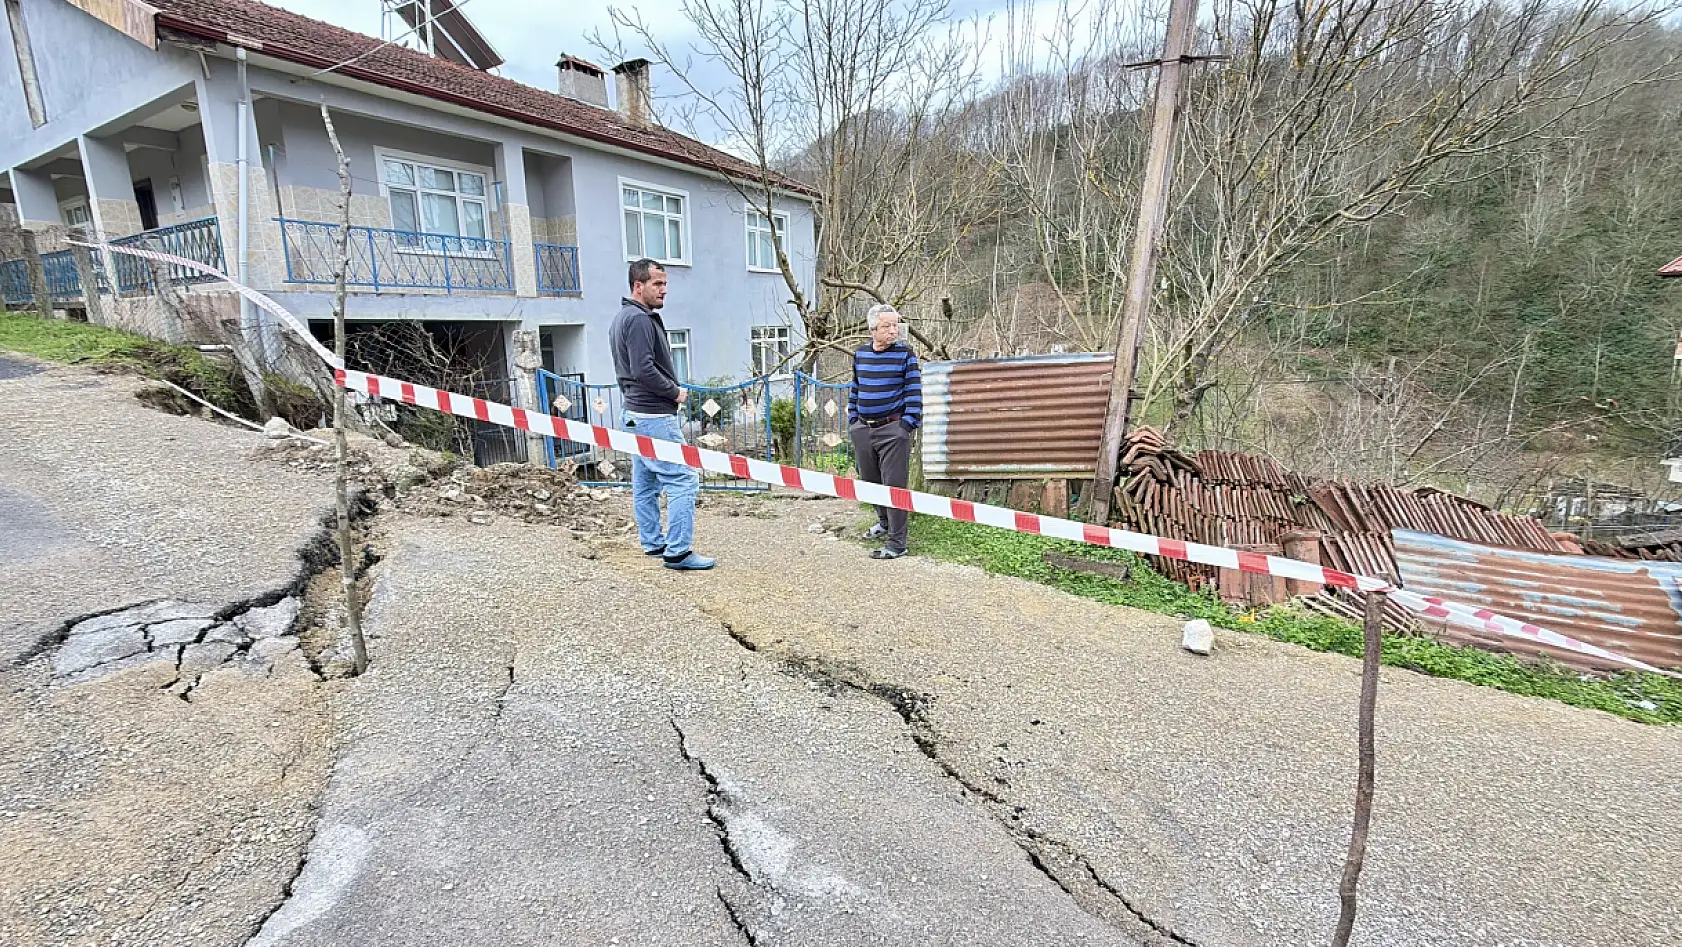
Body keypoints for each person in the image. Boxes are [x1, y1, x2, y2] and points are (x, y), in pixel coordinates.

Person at [609, 259, 715, 571]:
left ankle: (653, 542)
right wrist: (674, 391)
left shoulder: (622, 317)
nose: (664, 290)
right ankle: (678, 552)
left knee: (645, 482)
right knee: (684, 479)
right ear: (637, 286)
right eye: (657, 284)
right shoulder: (640, 320)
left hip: (633, 414)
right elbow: (643, 369)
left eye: (665, 284)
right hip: (654, 415)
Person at [848, 304, 922, 560]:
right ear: (872, 330)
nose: (894, 331)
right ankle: (884, 523)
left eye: (896, 325)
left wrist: (906, 426)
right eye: (887, 326)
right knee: (870, 482)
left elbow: (914, 393)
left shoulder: (905, 354)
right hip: (863, 429)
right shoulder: (860, 355)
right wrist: (853, 420)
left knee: (894, 485)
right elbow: (855, 389)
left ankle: (897, 543)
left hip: (893, 430)